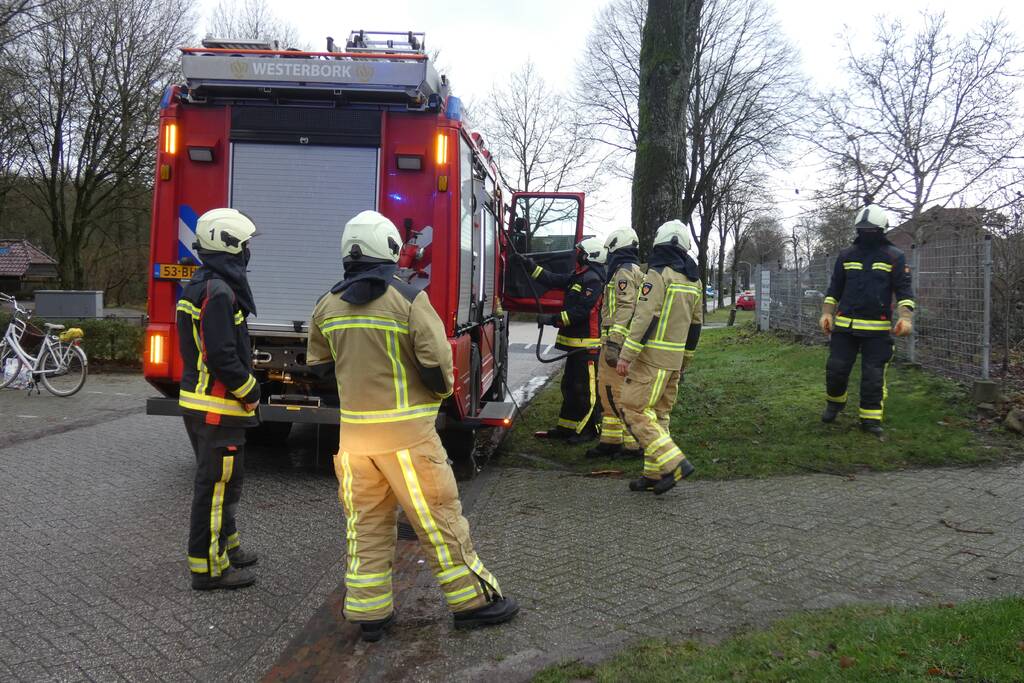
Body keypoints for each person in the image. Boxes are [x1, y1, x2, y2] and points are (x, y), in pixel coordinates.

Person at [306, 210, 518, 643]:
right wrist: (432, 397)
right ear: (389, 249)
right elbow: (438, 366)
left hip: (354, 444)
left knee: (365, 525)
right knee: (440, 521)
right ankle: (473, 603)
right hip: (408, 439)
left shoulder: (326, 304)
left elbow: (320, 371)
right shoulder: (408, 299)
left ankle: (369, 613)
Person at [176, 208, 261, 590]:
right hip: (217, 408)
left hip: (203, 406)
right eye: (244, 245)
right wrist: (251, 390)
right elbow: (222, 355)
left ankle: (228, 547)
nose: (247, 253)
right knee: (213, 488)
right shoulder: (219, 291)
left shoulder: (200, 285)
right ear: (229, 246)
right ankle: (209, 570)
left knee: (224, 484)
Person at [617, 220, 702, 495]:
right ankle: (653, 474)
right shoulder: (695, 279)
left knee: (634, 409)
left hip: (651, 358)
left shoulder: (657, 274)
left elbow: (644, 318)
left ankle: (674, 463)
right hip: (675, 360)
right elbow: (696, 325)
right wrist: (685, 360)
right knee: (660, 414)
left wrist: (626, 355)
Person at [819, 203, 914, 436]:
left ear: (881, 230)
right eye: (862, 229)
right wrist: (827, 313)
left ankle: (870, 419)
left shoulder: (894, 257)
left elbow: (904, 291)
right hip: (845, 327)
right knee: (836, 369)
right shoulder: (846, 255)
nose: (866, 234)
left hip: (878, 330)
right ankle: (835, 403)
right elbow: (834, 289)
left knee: (873, 376)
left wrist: (905, 317)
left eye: (871, 230)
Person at [517, 237, 606, 444]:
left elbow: (581, 311)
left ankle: (589, 430)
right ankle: (566, 427)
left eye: (579, 253)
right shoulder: (578, 276)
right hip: (575, 346)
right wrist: (530, 267)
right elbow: (552, 279)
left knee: (586, 390)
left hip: (587, 347)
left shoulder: (593, 279)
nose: (576, 256)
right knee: (570, 387)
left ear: (588, 256)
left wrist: (552, 319)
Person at [585, 227, 645, 460]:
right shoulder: (635, 270)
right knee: (609, 391)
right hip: (624, 342)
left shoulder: (622, 273)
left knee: (613, 391)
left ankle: (632, 445)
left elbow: (626, 307)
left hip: (616, 343)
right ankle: (611, 440)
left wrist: (614, 341)